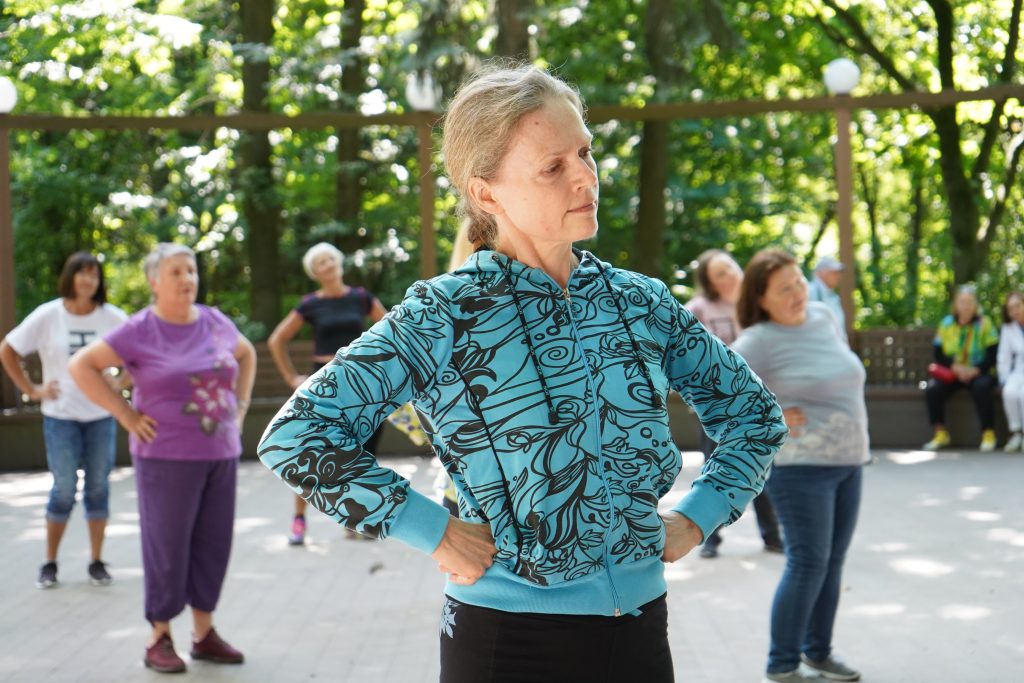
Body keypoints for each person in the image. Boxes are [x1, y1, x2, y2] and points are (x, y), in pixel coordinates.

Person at [258, 64, 786, 683]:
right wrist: (433, 530)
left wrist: (699, 515)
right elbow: (297, 436)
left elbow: (753, 415)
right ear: (487, 194)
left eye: (584, 152)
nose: (584, 176)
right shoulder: (444, 314)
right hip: (506, 639)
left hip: (642, 630)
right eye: (552, 167)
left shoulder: (638, 301)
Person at [69, 243, 256, 674]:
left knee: (213, 544)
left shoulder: (214, 321)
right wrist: (125, 415)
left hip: (220, 453)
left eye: (191, 270)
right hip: (165, 456)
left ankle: (204, 634)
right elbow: (82, 366)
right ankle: (159, 636)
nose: (187, 279)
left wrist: (241, 406)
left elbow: (246, 354)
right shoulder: (140, 329)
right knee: (167, 546)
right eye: (176, 272)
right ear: (154, 281)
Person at [731, 249, 868, 683]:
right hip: (799, 469)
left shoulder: (824, 317)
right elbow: (711, 396)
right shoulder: (758, 341)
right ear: (761, 298)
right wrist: (770, 415)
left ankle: (818, 652)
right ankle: (782, 665)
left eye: (798, 283)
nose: (797, 294)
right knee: (807, 564)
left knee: (832, 562)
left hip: (849, 462)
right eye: (783, 289)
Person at [0, 252, 127, 589]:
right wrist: (32, 389)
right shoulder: (49, 315)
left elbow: (142, 350)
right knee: (64, 489)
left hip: (100, 416)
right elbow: (8, 349)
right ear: (70, 277)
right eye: (82, 273)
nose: (88, 280)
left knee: (98, 488)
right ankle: (50, 562)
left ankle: (96, 561)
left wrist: (120, 382)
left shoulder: (111, 317)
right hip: (61, 417)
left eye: (94, 275)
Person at [266, 242, 388, 545]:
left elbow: (392, 330)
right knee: (310, 451)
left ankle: (358, 520)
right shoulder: (310, 304)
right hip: (324, 386)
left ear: (339, 263)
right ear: (314, 272)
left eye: (331, 258)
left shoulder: (361, 297)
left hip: (361, 383)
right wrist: (291, 377)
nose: (328, 264)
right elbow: (277, 339)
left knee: (361, 454)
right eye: (321, 262)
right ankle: (299, 520)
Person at [685, 249, 783, 558]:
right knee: (715, 467)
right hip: (715, 406)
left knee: (759, 466)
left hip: (758, 403)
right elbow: (682, 353)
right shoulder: (698, 308)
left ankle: (772, 536)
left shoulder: (758, 304)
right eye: (720, 274)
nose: (729, 276)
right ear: (710, 283)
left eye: (730, 267)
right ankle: (709, 537)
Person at [922, 285, 1000, 452]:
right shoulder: (946, 324)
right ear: (956, 304)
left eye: (969, 302)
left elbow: (993, 353)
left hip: (979, 372)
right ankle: (940, 433)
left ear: (975, 305)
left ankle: (988, 433)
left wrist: (976, 370)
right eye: (962, 302)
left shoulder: (985, 323)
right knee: (933, 389)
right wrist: (955, 368)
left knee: (982, 387)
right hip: (953, 373)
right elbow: (938, 353)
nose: (966, 306)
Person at [997, 291, 1024, 452]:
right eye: (1010, 309)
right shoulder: (1008, 328)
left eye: (1017, 306)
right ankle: (1016, 433)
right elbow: (1004, 355)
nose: (1014, 311)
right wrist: (1004, 378)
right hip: (1019, 369)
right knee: (1010, 392)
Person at [806, 256, 846, 339]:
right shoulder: (809, 291)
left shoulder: (833, 296)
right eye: (833, 272)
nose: (838, 276)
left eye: (838, 273)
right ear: (821, 273)